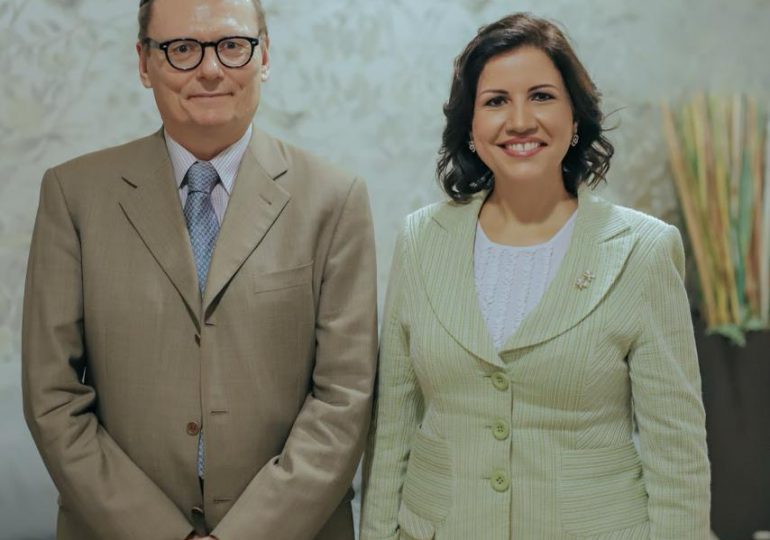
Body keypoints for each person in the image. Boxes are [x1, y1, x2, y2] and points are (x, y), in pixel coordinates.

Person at [21, 0, 377, 538]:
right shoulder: (74, 195)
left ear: (264, 57)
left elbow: (344, 397)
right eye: (181, 48)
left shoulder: (334, 199)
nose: (210, 70)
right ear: (144, 63)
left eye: (232, 46)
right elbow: (52, 396)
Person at [361, 12, 710, 540]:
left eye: (542, 96)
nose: (520, 120)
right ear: (471, 129)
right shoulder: (419, 240)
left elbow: (677, 455)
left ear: (575, 120)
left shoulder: (643, 249)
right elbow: (393, 431)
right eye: (496, 101)